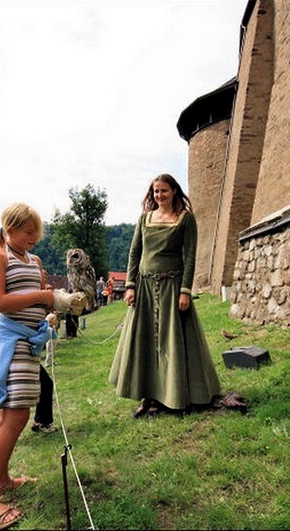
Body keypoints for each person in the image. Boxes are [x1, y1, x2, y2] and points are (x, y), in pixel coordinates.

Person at [0, 203, 85, 530]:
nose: (34, 237)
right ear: (10, 227)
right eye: (28, 231)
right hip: (10, 341)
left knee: (10, 414)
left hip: (29, 341)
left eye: (36, 231)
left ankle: (1, 480)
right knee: (17, 414)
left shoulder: (33, 261)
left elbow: (40, 297)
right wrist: (46, 296)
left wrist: (54, 306)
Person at [108, 173, 222, 418]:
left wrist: (185, 290)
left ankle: (175, 395)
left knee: (172, 342)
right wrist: (130, 285)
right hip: (145, 288)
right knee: (145, 342)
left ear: (173, 192)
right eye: (155, 191)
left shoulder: (185, 219)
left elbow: (190, 256)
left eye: (164, 191)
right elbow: (134, 253)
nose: (159, 195)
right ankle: (148, 395)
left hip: (172, 288)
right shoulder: (144, 219)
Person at [32, 312, 59, 434]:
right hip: (21, 355)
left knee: (46, 383)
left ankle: (41, 421)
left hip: (28, 357)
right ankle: (42, 421)